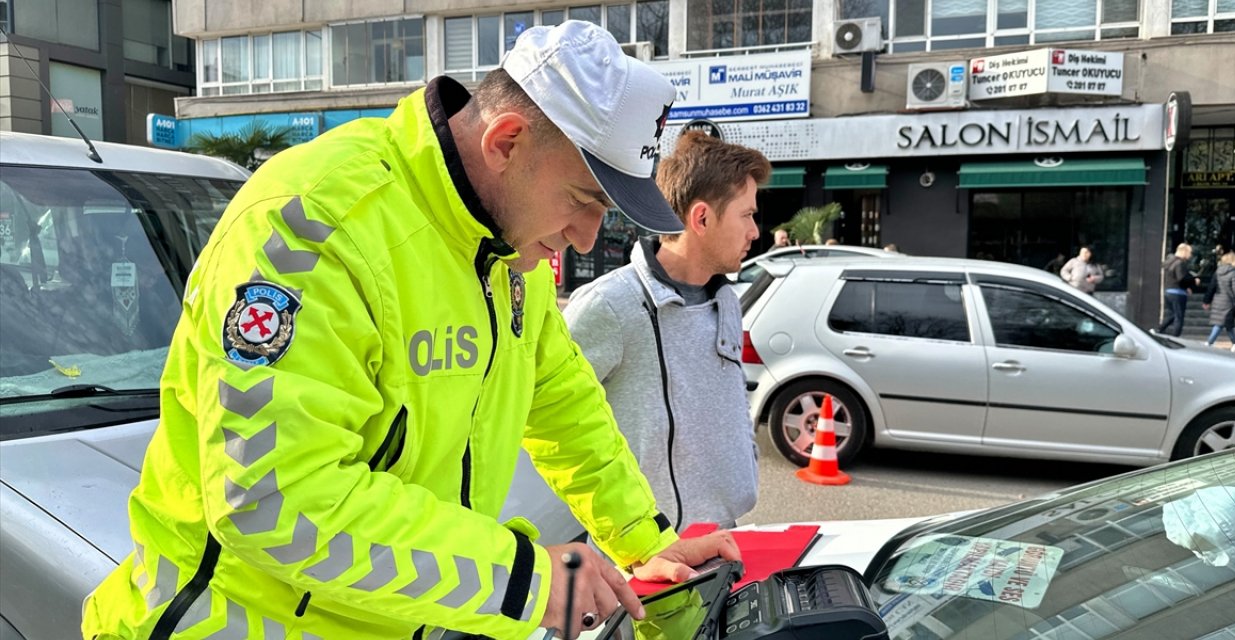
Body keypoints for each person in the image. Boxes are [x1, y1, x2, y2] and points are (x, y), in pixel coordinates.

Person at [82, 21, 738, 640]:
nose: (589, 238)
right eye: (584, 201)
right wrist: (526, 580)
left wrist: (646, 543)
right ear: (505, 143)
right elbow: (271, 501)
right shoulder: (313, 229)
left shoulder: (509, 247)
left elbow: (562, 401)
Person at [564, 132, 770, 537]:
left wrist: (743, 474)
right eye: (746, 215)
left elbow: (732, 405)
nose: (755, 232)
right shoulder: (610, 305)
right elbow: (544, 422)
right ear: (702, 219)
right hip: (642, 556)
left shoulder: (726, 299)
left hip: (723, 536)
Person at [1203, 251, 1235, 352]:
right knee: (1224, 324)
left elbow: (1211, 287)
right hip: (1229, 303)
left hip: (1218, 301)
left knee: (1223, 324)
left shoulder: (1218, 272)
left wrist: (1206, 301)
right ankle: (1210, 342)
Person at [1157, 243, 1199, 336]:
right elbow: (1181, 278)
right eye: (1189, 253)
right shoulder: (1180, 263)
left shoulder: (1170, 262)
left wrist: (1186, 287)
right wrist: (1193, 280)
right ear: (1184, 252)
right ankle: (1176, 336)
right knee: (1179, 317)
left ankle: (1159, 329)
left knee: (1172, 314)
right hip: (1178, 292)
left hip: (1169, 291)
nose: (1190, 255)